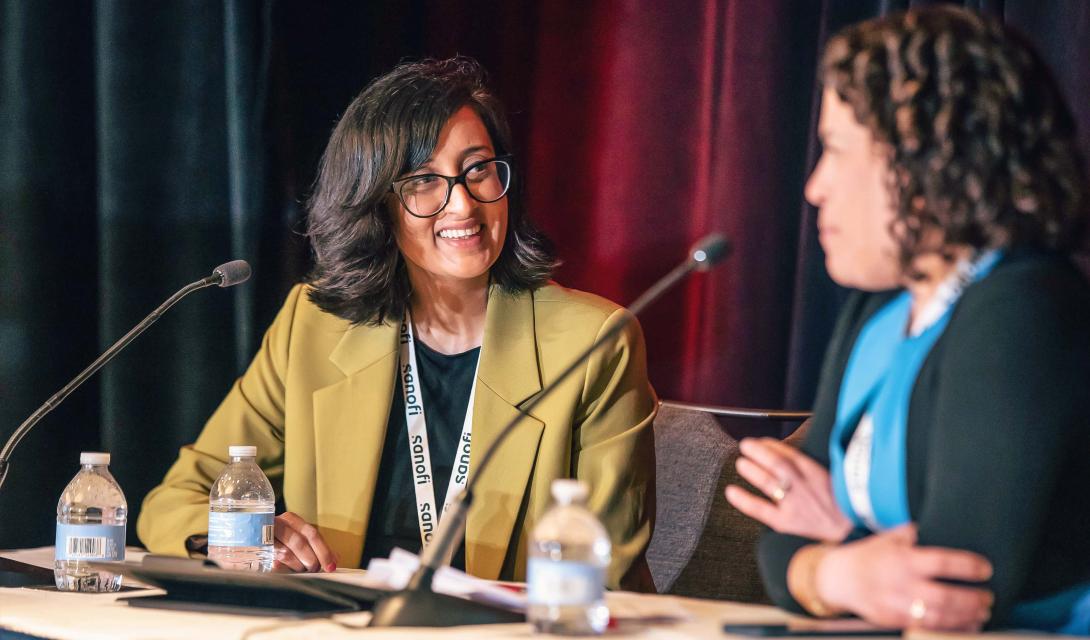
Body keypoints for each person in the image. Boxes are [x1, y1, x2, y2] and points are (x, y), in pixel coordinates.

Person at [137, 57, 657, 591]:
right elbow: (178, 498)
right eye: (425, 180)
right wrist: (236, 540)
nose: (462, 203)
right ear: (375, 201)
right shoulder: (314, 325)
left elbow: (604, 571)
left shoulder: (594, 343)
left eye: (478, 169)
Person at [725, 6, 1090, 633]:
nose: (815, 187)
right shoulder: (880, 308)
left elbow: (957, 589)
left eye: (837, 151)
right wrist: (839, 572)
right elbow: (777, 543)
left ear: (922, 163)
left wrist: (836, 542)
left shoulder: (1024, 309)